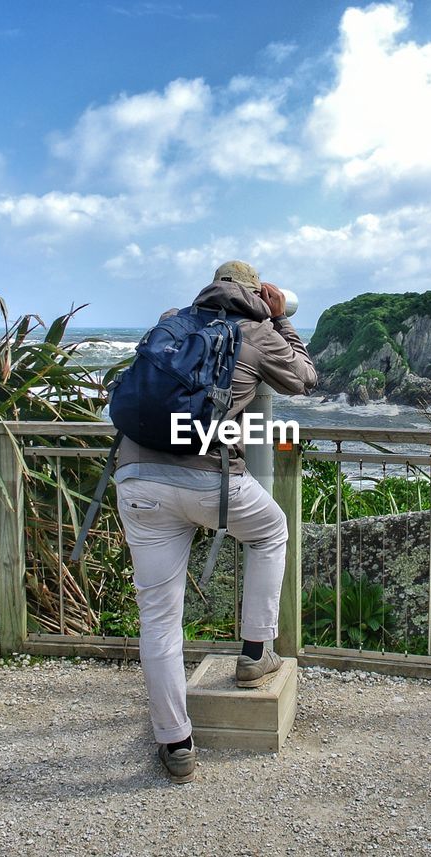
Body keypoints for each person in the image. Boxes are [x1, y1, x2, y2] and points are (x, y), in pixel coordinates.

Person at [114, 260, 317, 784]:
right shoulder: (259, 331)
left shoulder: (172, 320)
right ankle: (254, 652)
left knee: (158, 619)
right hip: (210, 477)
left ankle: (175, 745)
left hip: (137, 477)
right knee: (270, 532)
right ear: (255, 291)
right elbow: (304, 379)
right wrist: (281, 320)